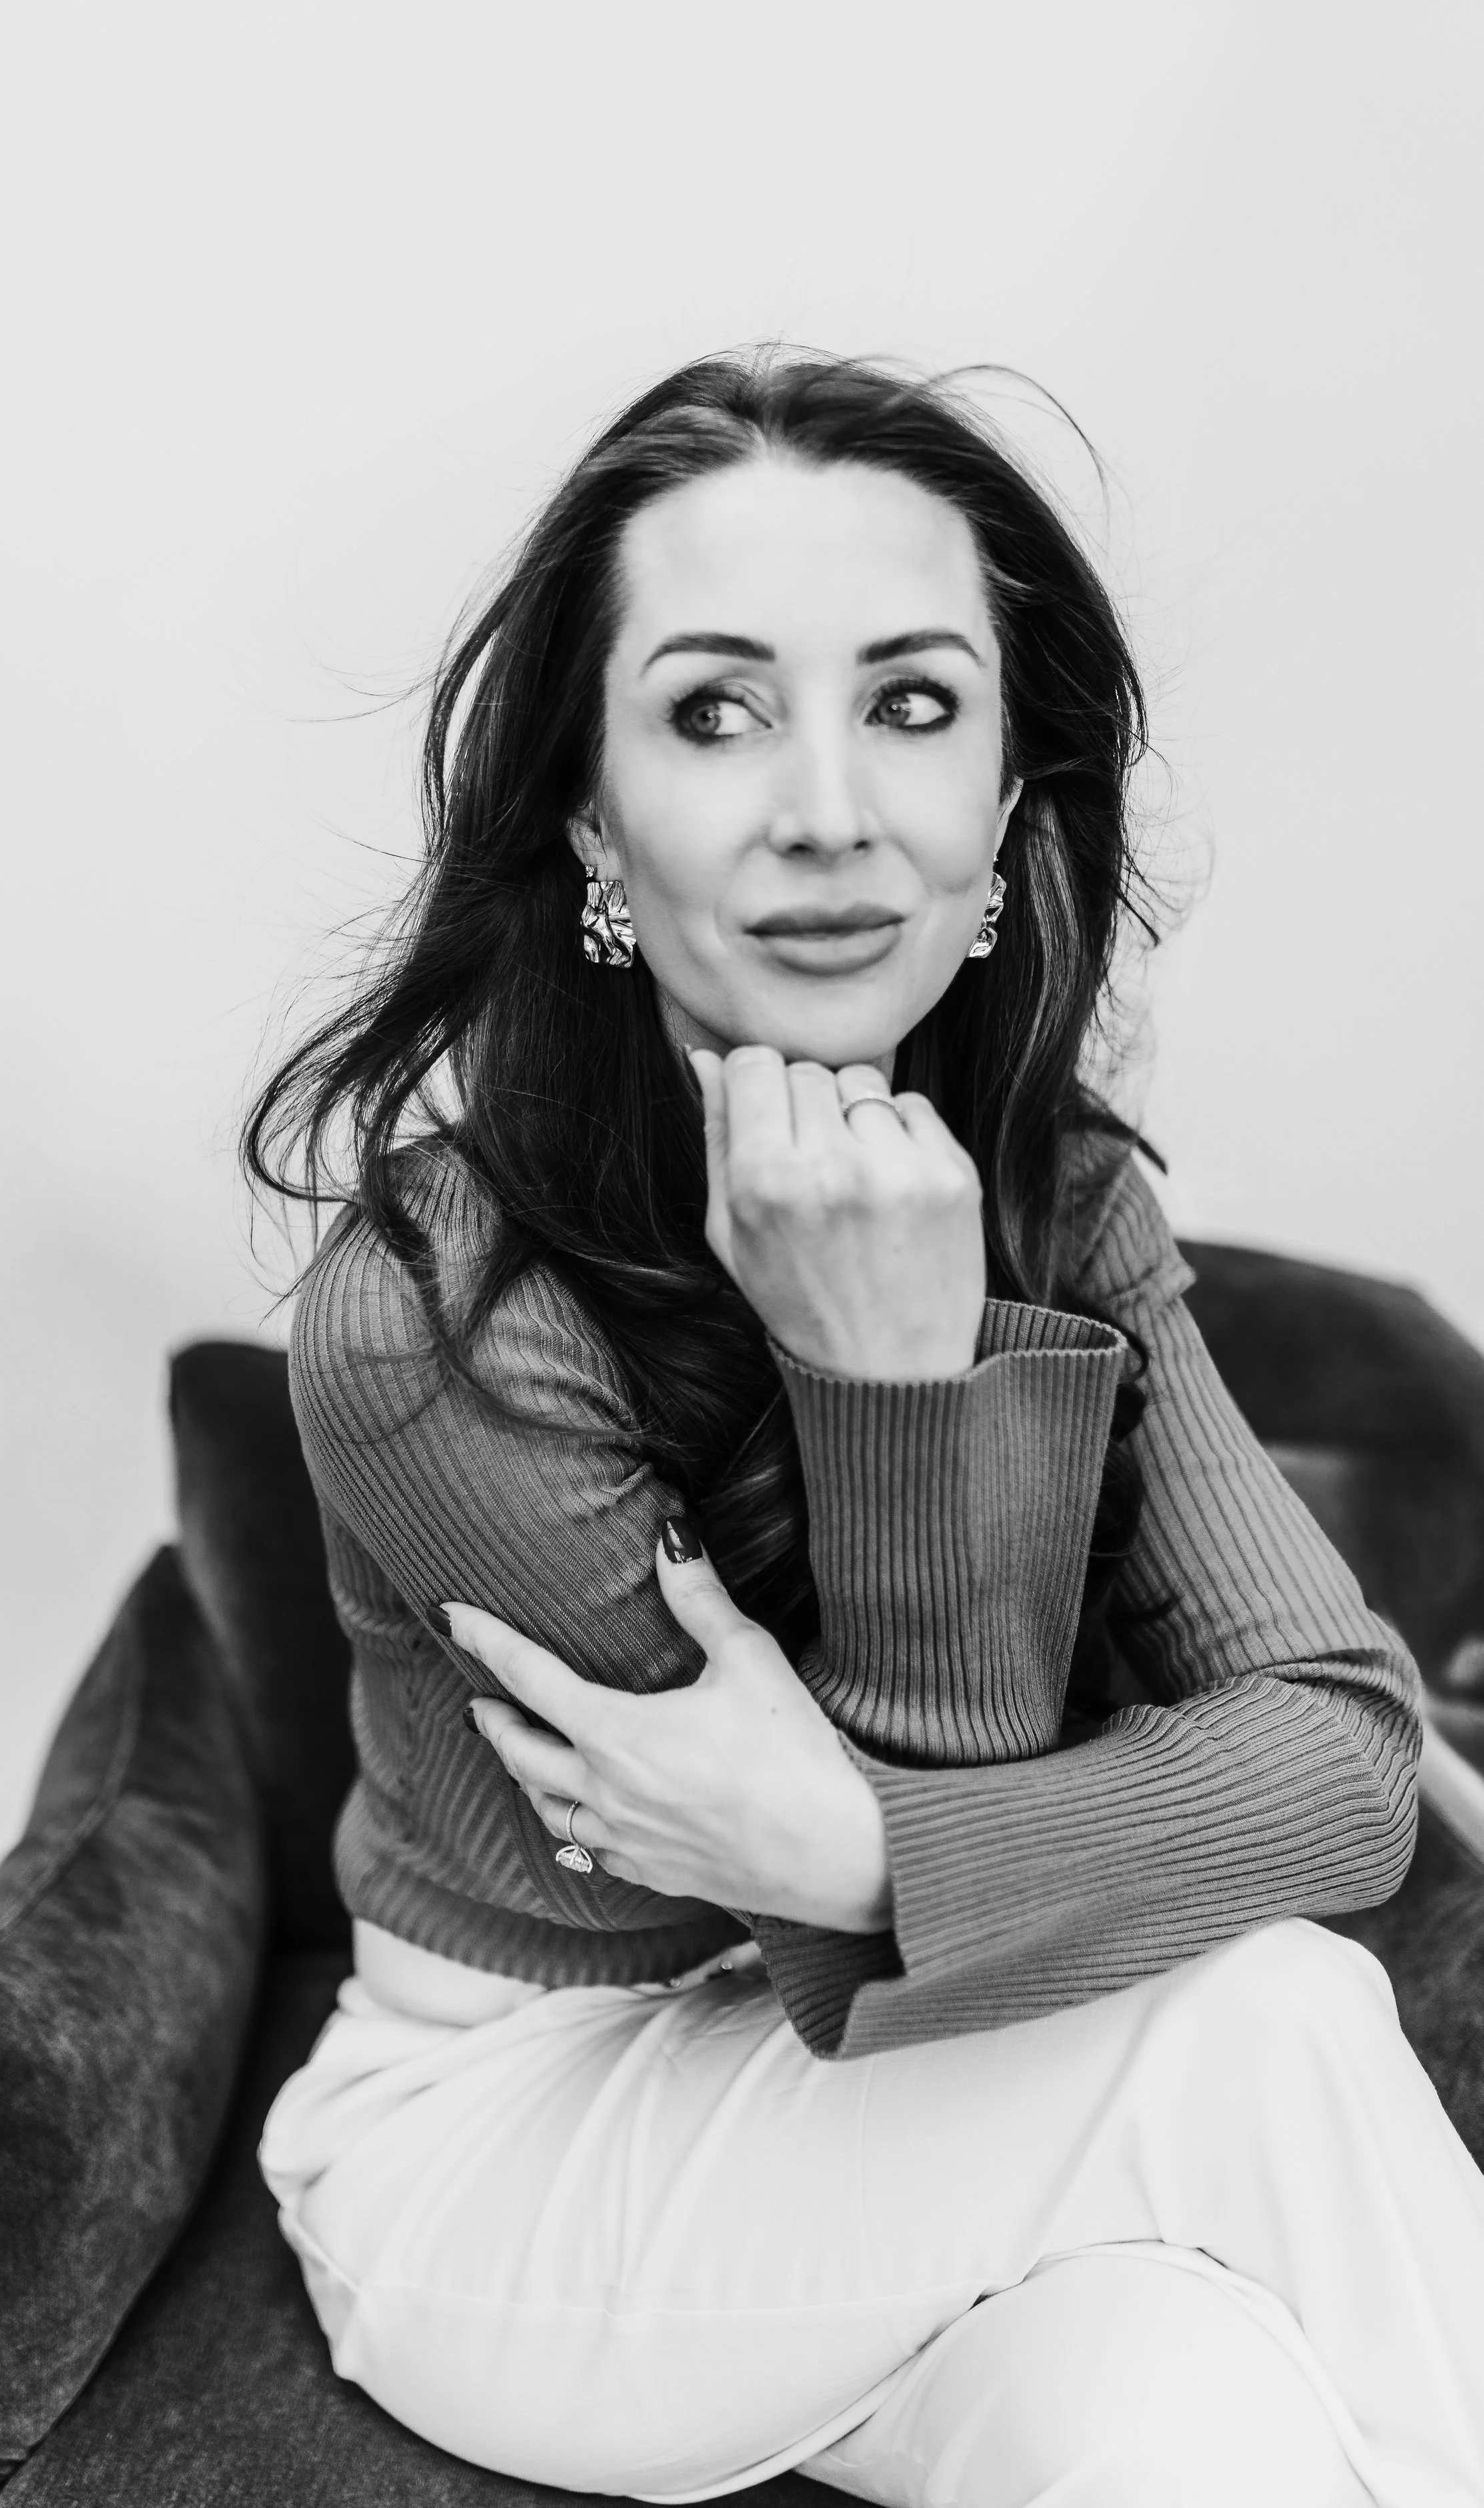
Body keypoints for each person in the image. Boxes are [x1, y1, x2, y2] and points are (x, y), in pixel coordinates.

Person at [243, 351, 1484, 2507]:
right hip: (534, 2155)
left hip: (944, 2109)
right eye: (714, 712)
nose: (826, 807)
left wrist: (849, 1844)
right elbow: (856, 1967)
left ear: (1006, 806)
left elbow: (1340, 1761)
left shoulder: (1058, 1186)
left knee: (1192, 2427)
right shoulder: (433, 1320)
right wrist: (889, 1386)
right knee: (1267, 2023)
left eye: (910, 702)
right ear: (587, 816)